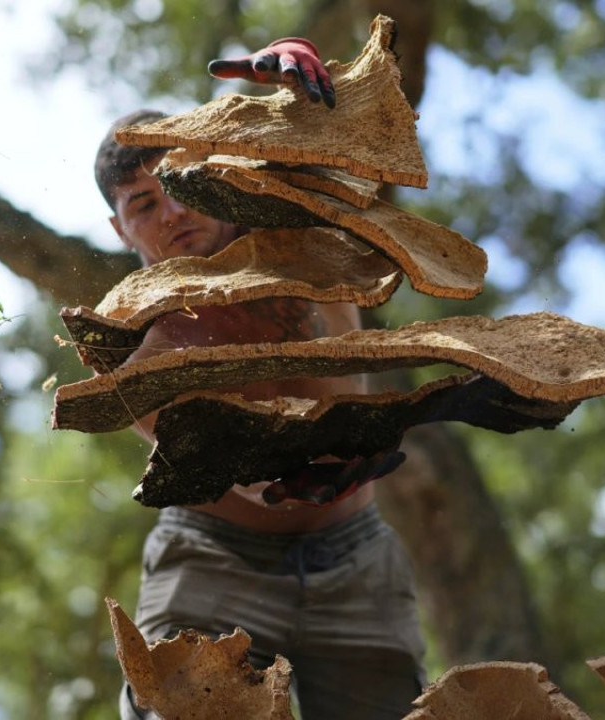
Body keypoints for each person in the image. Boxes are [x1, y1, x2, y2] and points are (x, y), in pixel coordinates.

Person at [94, 37, 427, 720]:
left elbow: (340, 146)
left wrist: (301, 84)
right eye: (143, 205)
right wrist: (268, 480)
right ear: (118, 230)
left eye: (181, 183)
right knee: (176, 710)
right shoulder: (137, 347)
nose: (173, 213)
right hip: (213, 559)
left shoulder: (305, 233)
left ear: (215, 168)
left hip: (357, 557)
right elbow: (207, 453)